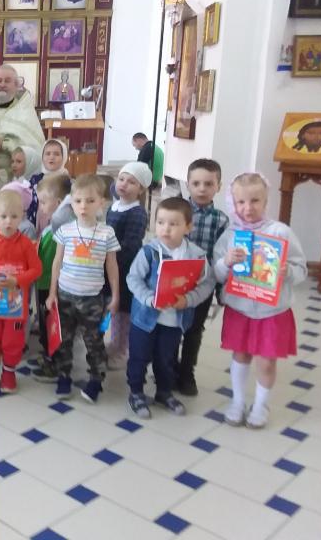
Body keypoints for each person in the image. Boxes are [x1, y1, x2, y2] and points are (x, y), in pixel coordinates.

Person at [214, 173, 307, 429]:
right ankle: (238, 401)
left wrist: (289, 272)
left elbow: (301, 269)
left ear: (266, 200)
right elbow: (217, 273)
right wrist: (226, 262)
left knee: (266, 361)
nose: (248, 208)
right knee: (240, 356)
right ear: (233, 202)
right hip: (240, 309)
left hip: (272, 312)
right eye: (241, 202)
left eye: (255, 200)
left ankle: (261, 405)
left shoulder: (280, 232)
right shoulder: (230, 235)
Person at [126, 197, 215, 419]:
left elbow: (207, 284)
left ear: (188, 227)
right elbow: (133, 278)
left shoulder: (197, 255)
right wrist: (149, 298)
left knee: (166, 359)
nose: (165, 229)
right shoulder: (149, 251)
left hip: (174, 321)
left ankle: (164, 393)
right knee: (139, 356)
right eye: (160, 222)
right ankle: (136, 392)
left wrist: (189, 299)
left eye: (173, 224)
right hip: (145, 319)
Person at [45, 174, 120, 403]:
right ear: (71, 203)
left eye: (90, 201)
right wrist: (52, 293)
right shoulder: (65, 231)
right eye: (78, 201)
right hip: (65, 295)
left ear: (101, 203)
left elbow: (112, 266)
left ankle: (96, 379)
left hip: (92, 299)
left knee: (93, 341)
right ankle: (63, 376)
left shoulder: (107, 233)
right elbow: (57, 262)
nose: (83, 206)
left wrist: (115, 295)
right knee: (64, 340)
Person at [0, 189, 42, 393]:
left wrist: (18, 280)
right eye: (3, 216)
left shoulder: (26, 245)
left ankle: (9, 372)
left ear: (22, 216)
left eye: (14, 216)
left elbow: (37, 269)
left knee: (13, 340)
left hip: (17, 307)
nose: (8, 221)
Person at [178, 159, 229, 395]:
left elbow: (221, 257)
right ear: (187, 184)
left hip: (202, 285)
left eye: (209, 184)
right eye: (196, 183)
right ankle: (166, 368)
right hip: (175, 282)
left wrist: (221, 291)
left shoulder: (221, 220)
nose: (202, 189)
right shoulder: (177, 211)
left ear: (218, 186)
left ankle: (186, 372)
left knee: (194, 330)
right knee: (170, 328)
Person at [104, 163, 152, 371]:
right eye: (122, 179)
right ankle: (114, 343)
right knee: (112, 308)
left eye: (132, 182)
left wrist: (111, 260)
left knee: (123, 310)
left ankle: (122, 350)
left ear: (141, 189)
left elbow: (130, 245)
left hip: (125, 268)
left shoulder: (137, 213)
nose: (124, 184)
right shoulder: (113, 207)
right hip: (109, 265)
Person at [31, 174, 72, 382]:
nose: (41, 207)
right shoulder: (54, 224)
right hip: (44, 282)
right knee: (46, 323)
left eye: (44, 202)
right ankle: (49, 355)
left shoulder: (60, 225)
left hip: (50, 285)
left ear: (58, 202)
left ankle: (53, 365)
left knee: (51, 325)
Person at [27, 139, 69, 224]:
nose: (51, 157)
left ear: (64, 157)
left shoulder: (67, 181)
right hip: (37, 222)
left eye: (56, 154)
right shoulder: (35, 179)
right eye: (48, 153)